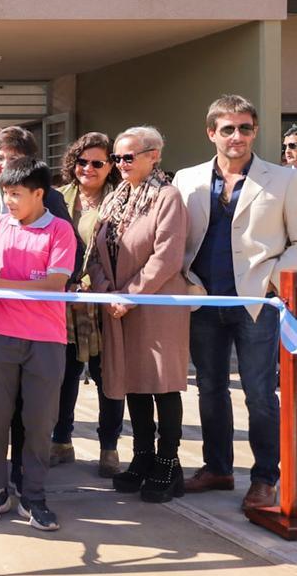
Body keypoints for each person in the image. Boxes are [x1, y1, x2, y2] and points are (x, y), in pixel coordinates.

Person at [174, 94, 297, 510]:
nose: (237, 136)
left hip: (256, 303)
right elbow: (176, 239)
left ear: (255, 131)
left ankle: (265, 477)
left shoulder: (282, 179)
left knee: (260, 393)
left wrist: (271, 284)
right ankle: (218, 468)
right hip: (203, 300)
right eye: (227, 129)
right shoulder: (186, 179)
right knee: (209, 389)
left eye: (245, 128)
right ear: (212, 133)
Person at [0, 126, 81, 490]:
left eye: (15, 194)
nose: (8, 201)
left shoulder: (60, 230)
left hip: (46, 339)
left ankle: (34, 493)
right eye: (5, 193)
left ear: (39, 194)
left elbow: (55, 283)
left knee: (38, 422)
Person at [86, 126, 189, 503]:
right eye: (117, 157)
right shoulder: (115, 198)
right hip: (118, 306)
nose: (121, 164)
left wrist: (129, 295)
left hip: (156, 304)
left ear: (154, 155)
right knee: (132, 382)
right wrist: (106, 292)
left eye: (129, 156)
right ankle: (143, 455)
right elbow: (96, 254)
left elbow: (167, 257)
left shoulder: (167, 197)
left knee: (161, 382)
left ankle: (168, 461)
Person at [51, 133, 125, 478]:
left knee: (106, 375)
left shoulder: (120, 199)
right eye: (82, 162)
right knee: (64, 376)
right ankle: (61, 441)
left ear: (110, 166)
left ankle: (109, 447)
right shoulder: (58, 197)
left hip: (104, 302)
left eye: (98, 163)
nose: (88, 169)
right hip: (65, 304)